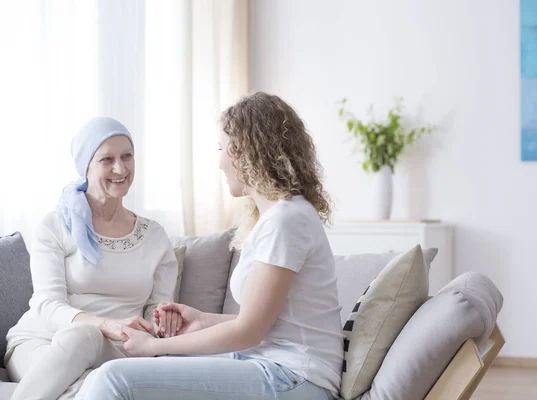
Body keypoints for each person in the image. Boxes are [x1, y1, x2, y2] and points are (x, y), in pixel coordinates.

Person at [77, 92, 344, 400]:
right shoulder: (278, 218)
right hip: (273, 364)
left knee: (113, 379)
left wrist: (154, 347)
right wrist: (203, 320)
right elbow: (268, 322)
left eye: (221, 149)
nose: (219, 162)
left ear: (248, 152)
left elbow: (249, 331)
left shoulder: (287, 220)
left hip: (295, 377)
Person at [4, 117, 180, 400]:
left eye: (127, 156)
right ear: (85, 166)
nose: (120, 168)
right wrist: (104, 324)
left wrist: (162, 320)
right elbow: (47, 305)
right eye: (106, 159)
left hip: (116, 349)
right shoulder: (55, 225)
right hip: (41, 342)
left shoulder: (154, 236)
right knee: (83, 354)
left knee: (90, 373)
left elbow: (155, 308)